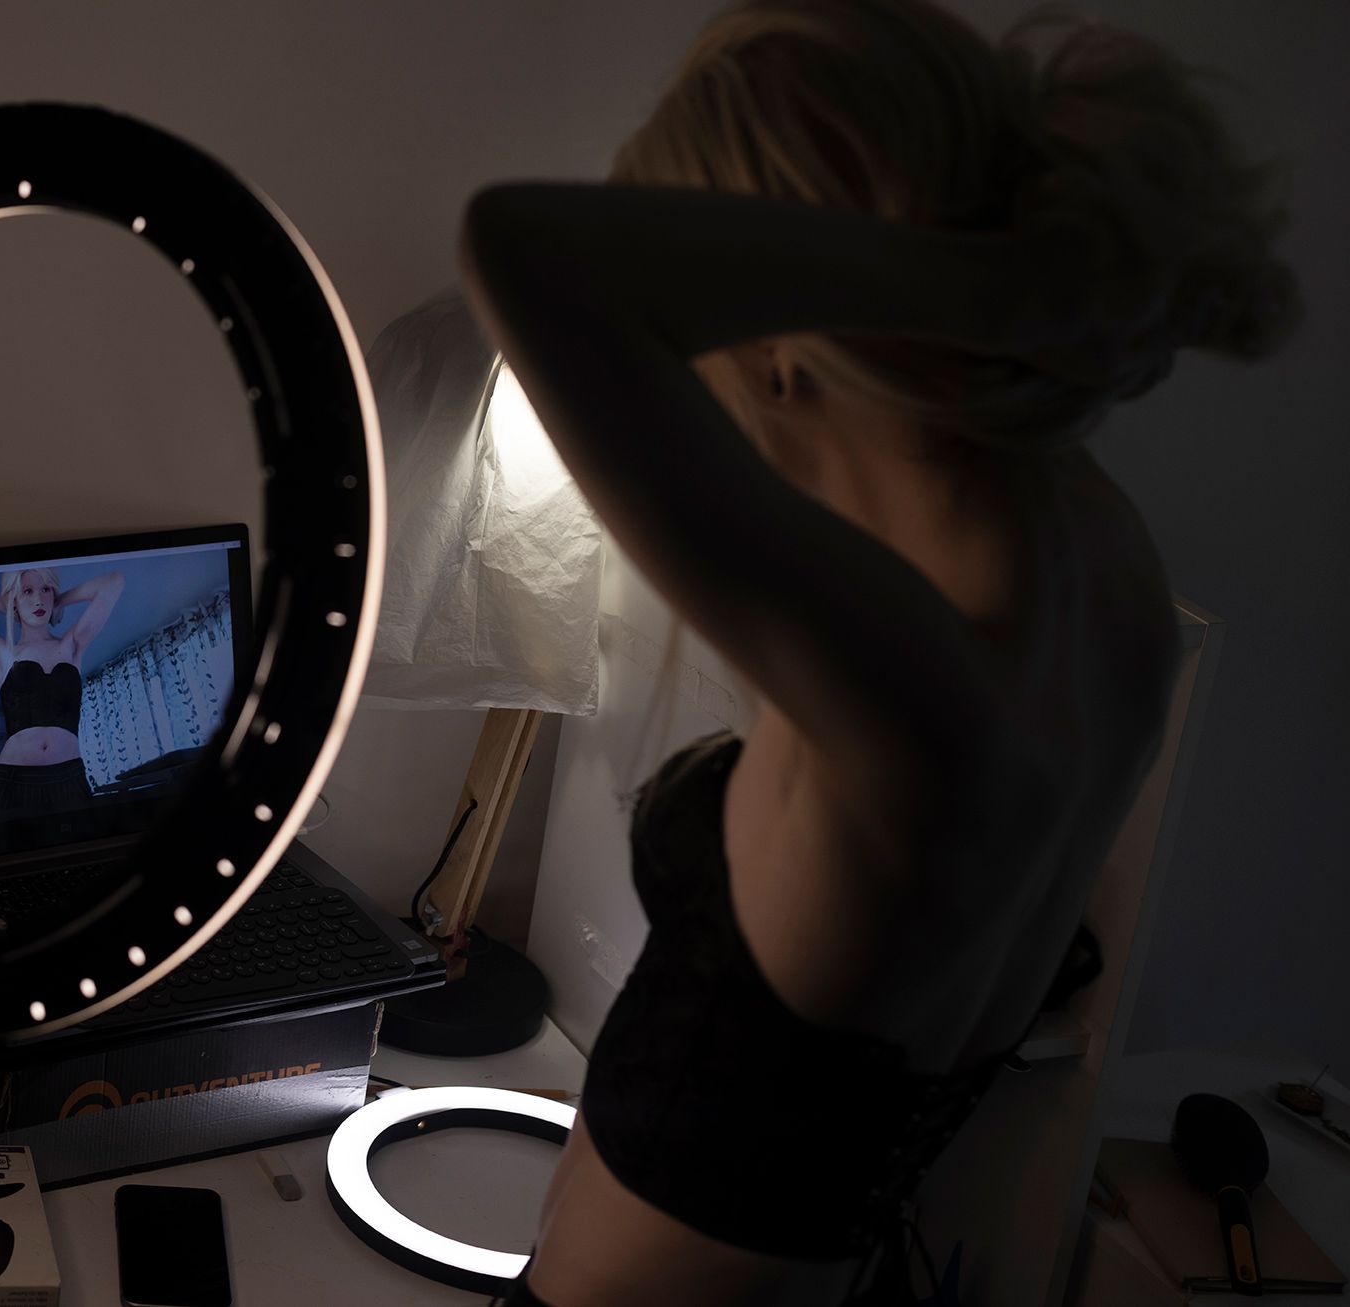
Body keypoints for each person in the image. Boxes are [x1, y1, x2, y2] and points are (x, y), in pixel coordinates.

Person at [459, 2, 1298, 1303]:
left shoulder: (906, 676)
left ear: (778, 336)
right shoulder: (1104, 568)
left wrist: (975, 279)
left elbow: (519, 248)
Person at [0, 566, 124, 822]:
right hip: (14, 783)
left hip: (69, 778)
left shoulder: (72, 644)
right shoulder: (1, 653)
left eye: (46, 589)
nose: (39, 600)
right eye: (27, 591)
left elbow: (113, 582)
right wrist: (11, 607)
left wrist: (59, 601)